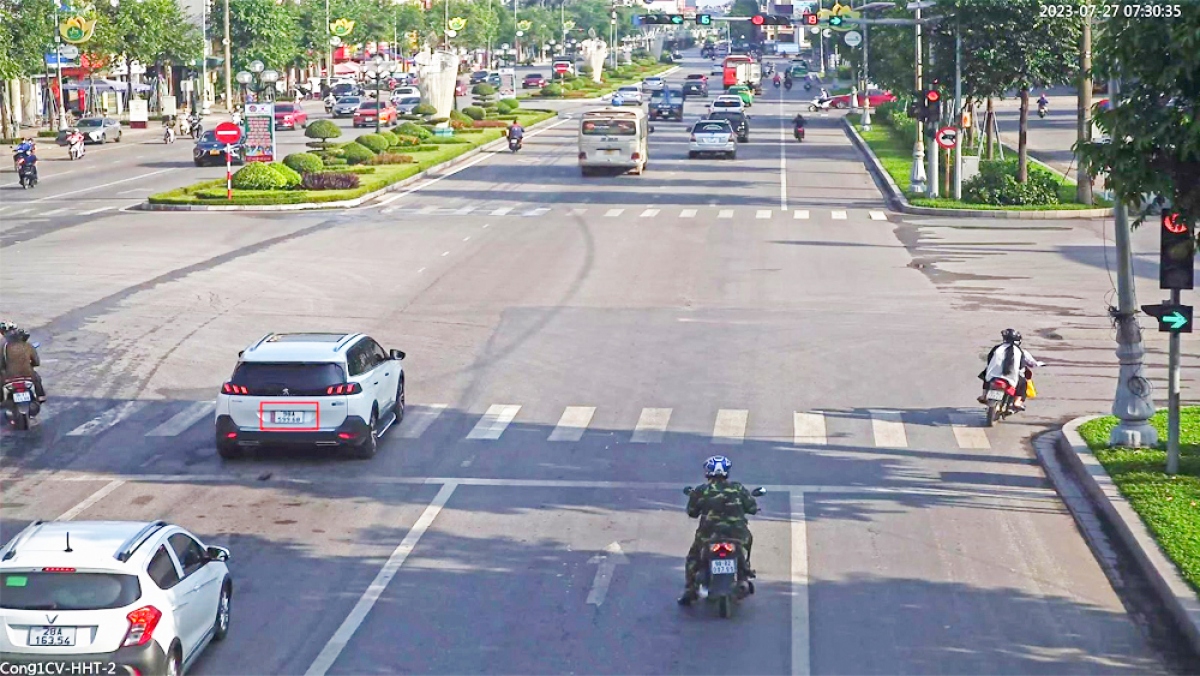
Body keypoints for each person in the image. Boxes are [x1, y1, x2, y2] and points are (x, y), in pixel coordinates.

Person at [678, 455, 759, 606]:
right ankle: (745, 569)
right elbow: (752, 508)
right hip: (737, 534)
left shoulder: (702, 490)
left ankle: (690, 590)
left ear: (707, 472)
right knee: (747, 542)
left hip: (708, 535)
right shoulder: (737, 488)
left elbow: (692, 512)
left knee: (693, 558)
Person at [978, 329, 1038, 410]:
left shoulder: (997, 348)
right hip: (1011, 377)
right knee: (1023, 383)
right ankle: (1017, 401)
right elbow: (1022, 365)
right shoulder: (1020, 351)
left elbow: (990, 359)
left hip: (994, 375)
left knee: (986, 375)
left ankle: (984, 395)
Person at [0, 325, 45, 403]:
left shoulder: (6, 347)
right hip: (28, 376)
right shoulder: (29, 346)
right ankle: (41, 396)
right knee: (37, 379)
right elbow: (37, 362)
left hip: (10, 376)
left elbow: (1, 364)